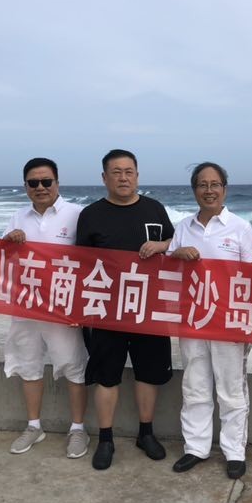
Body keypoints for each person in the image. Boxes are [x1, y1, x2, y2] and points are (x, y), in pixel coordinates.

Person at [76, 149, 175, 470]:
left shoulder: (154, 208)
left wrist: (162, 245)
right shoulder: (91, 214)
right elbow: (81, 265)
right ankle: (105, 439)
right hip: (107, 312)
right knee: (107, 377)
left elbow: (177, 243)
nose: (123, 177)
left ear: (137, 175)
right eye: (116, 172)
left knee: (149, 373)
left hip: (150, 307)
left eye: (129, 171)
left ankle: (146, 433)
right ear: (104, 178)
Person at [168, 162, 252, 479]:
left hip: (228, 321)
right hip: (192, 318)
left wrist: (248, 322)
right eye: (202, 185)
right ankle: (196, 447)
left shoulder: (240, 227)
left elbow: (251, 276)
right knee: (195, 385)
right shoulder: (183, 227)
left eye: (215, 184)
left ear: (224, 189)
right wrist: (176, 253)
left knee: (231, 389)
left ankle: (234, 452)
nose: (209, 190)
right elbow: (168, 268)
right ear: (195, 190)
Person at [3, 158, 90, 458]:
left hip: (64, 307)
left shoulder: (76, 214)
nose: (40, 187)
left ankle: (78, 429)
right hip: (26, 304)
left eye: (46, 181)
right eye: (33, 183)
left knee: (73, 366)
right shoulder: (17, 217)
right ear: (25, 186)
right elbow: (0, 258)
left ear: (57, 182)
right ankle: (33, 426)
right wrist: (9, 243)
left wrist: (82, 306)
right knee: (28, 365)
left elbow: (91, 261)